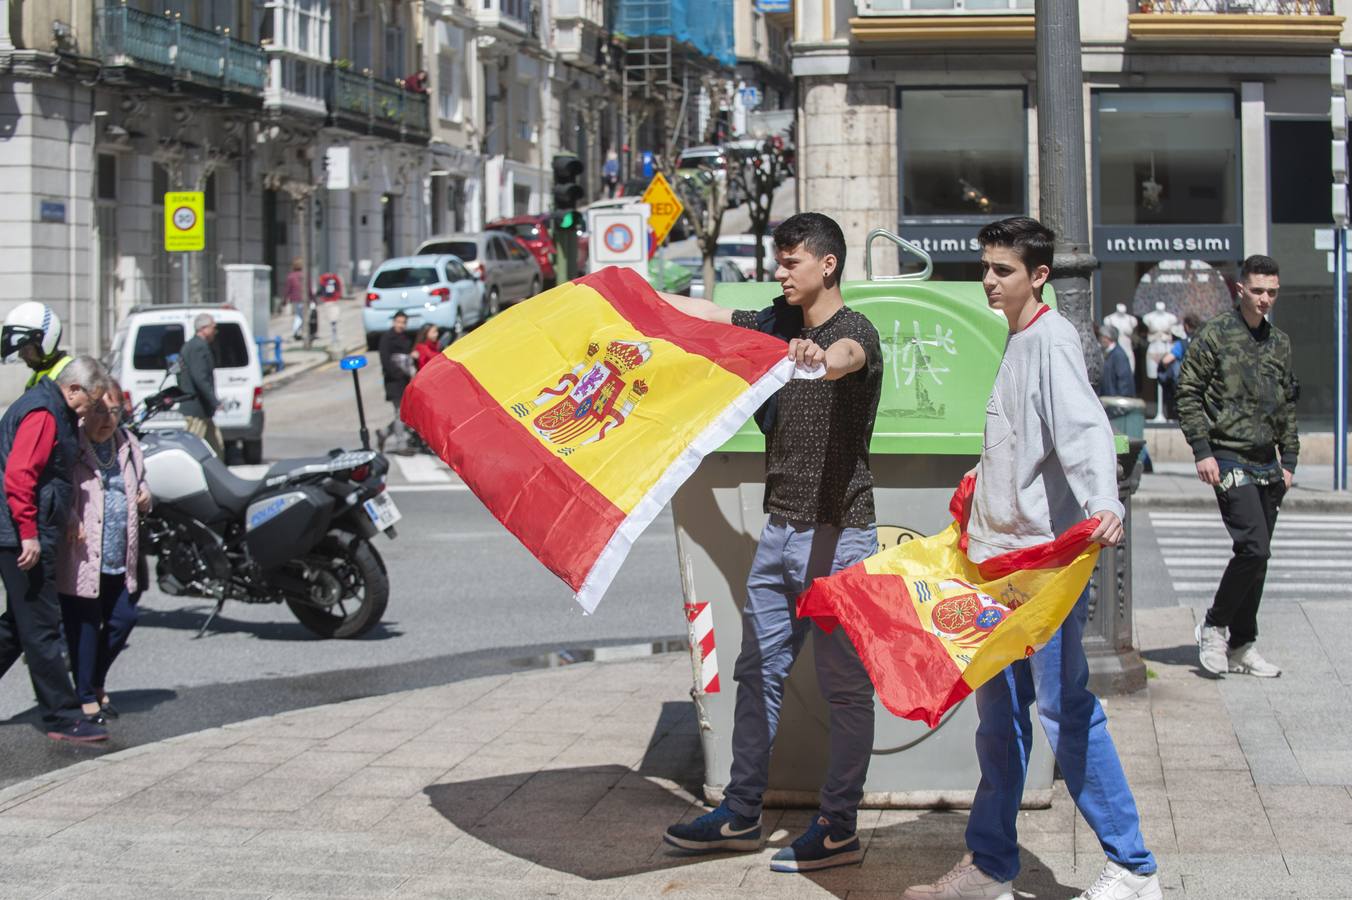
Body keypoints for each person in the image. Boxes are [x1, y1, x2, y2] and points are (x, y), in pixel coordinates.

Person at [904, 217, 1160, 900]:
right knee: (1002, 721)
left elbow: (1084, 427)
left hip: (1038, 571)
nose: (990, 280)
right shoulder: (1018, 339)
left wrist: (1104, 502)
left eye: (1004, 269)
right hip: (1001, 567)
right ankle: (991, 865)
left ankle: (1133, 868)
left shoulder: (1049, 339)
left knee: (1063, 709)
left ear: (1038, 275)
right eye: (986, 267)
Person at [657, 213, 884, 874]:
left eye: (791, 262)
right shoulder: (775, 325)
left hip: (840, 539)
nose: (780, 273)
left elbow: (848, 359)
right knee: (757, 674)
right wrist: (616, 293)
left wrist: (820, 358)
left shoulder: (852, 333)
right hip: (780, 532)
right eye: (778, 261)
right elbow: (704, 311)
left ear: (828, 265)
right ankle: (742, 810)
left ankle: (838, 825)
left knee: (845, 689)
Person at [1176, 255, 1295, 678]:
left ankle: (1243, 644)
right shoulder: (1216, 335)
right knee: (1253, 546)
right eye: (1259, 290)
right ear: (1241, 289)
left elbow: (1287, 404)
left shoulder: (1279, 342)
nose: (1265, 299)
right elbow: (1186, 392)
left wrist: (1291, 458)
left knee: (1259, 558)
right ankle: (1213, 626)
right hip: (1227, 455)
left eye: (1272, 292)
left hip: (1269, 462)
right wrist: (1201, 449)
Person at [0, 356, 111, 742]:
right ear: (74, 388)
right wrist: (29, 532)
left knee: (18, 625)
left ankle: (61, 713)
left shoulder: (51, 407)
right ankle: (62, 717)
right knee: (42, 629)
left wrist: (67, 517)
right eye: (90, 402)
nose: (88, 412)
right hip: (22, 536)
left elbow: (48, 477)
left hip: (25, 531)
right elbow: (20, 475)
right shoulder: (44, 413)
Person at [57, 380, 149, 724]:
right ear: (86, 411)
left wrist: (145, 495)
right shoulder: (72, 446)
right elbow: (57, 488)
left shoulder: (128, 445)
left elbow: (140, 482)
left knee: (124, 619)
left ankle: (95, 682)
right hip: (82, 555)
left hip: (117, 555)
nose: (107, 419)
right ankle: (85, 696)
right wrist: (68, 516)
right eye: (99, 410)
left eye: (114, 411)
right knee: (82, 629)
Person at [178, 313, 224, 457]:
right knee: (192, 449)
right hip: (196, 409)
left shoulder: (195, 345)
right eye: (213, 327)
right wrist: (214, 401)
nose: (215, 332)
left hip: (202, 410)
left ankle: (219, 475)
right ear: (204, 328)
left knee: (216, 446)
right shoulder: (198, 347)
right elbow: (200, 378)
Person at [2, 301, 71, 388]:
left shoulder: (70, 376)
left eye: (26, 348)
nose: (21, 355)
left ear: (46, 342)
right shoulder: (37, 377)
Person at [376, 312, 415, 455]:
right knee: (400, 413)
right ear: (394, 322)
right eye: (398, 322)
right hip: (394, 382)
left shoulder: (405, 338)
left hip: (406, 381)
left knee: (405, 414)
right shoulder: (387, 338)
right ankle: (401, 445)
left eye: (403, 322)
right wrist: (398, 373)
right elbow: (385, 360)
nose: (401, 325)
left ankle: (383, 433)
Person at [1157, 313, 1200, 421]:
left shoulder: (1182, 344)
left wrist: (1161, 362)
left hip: (1185, 383)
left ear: (1186, 326)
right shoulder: (1203, 341)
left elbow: (1167, 360)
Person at [1096, 324, 1134, 398]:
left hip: (1115, 400)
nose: (1100, 340)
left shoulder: (1118, 355)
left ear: (1108, 338)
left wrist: (1120, 398)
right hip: (1108, 399)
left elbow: (1124, 379)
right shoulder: (1107, 353)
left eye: (1101, 337)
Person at [285, 257, 313, 341]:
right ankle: (296, 331)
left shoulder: (291, 276)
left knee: (299, 315)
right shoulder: (305, 275)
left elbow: (287, 289)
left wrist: (285, 299)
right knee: (301, 316)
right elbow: (309, 288)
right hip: (304, 299)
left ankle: (297, 332)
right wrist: (312, 298)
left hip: (295, 299)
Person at [318, 271, 344, 346]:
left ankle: (333, 335)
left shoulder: (323, 279)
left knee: (330, 319)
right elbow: (339, 288)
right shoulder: (335, 279)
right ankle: (334, 335)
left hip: (327, 301)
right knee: (334, 319)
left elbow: (321, 289)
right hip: (334, 300)